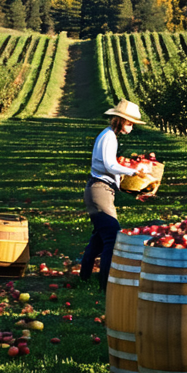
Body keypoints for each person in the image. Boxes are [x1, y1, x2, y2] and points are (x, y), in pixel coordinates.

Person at [81, 99, 147, 289]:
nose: (131, 126)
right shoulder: (109, 136)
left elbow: (110, 166)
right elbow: (110, 165)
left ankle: (84, 277)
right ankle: (106, 284)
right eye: (129, 122)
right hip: (99, 190)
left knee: (99, 237)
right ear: (119, 120)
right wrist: (132, 171)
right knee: (112, 237)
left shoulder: (109, 136)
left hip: (99, 190)